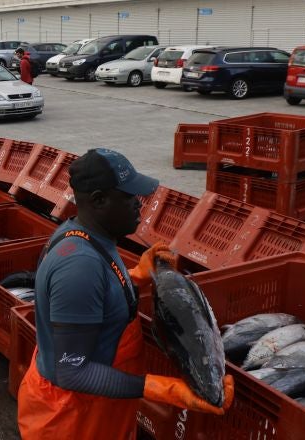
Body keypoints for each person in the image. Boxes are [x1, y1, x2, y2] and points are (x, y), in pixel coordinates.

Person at [17, 148, 234, 439]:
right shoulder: (79, 267)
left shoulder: (88, 235)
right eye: (129, 196)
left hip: (99, 408)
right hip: (74, 418)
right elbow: (71, 371)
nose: (139, 204)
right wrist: (166, 389)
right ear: (99, 200)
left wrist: (137, 277)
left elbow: (96, 299)